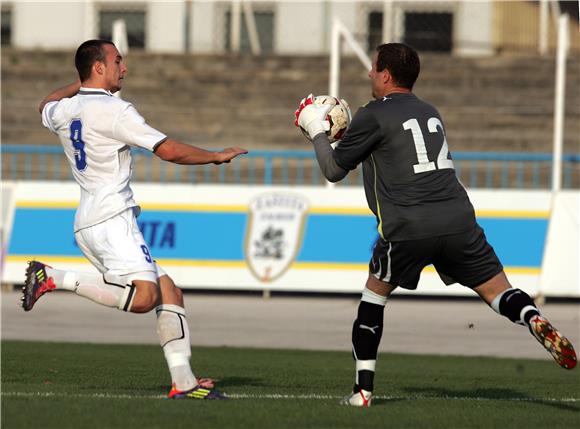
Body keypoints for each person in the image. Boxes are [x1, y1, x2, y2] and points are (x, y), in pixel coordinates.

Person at [295, 43, 576, 407]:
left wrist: (318, 129)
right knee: (497, 291)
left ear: (385, 75)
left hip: (408, 225)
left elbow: (333, 170)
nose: (368, 74)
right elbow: (389, 149)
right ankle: (531, 316)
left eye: (372, 68)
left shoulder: (372, 113)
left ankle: (362, 392)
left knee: (373, 298)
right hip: (459, 219)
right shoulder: (430, 111)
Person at [23, 39, 247, 400]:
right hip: (112, 219)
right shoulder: (116, 111)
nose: (123, 68)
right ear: (99, 67)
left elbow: (43, 105)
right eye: (117, 61)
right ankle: (53, 277)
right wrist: (215, 156)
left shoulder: (65, 111)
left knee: (169, 290)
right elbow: (168, 150)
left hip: (89, 220)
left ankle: (184, 383)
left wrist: (78, 85)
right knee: (145, 298)